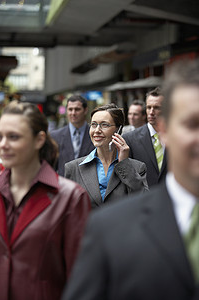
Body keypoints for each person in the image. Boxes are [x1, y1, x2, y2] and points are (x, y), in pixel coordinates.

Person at [61, 59, 199, 300]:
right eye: (192, 124)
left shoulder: (133, 167)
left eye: (104, 125)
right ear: (164, 131)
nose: (97, 130)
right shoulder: (109, 227)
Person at [0, 101, 91, 300]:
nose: (3, 144)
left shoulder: (70, 198)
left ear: (39, 139)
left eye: (13, 137)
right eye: (0, 137)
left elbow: (81, 279)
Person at [64, 103, 148, 209]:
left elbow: (144, 201)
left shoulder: (136, 168)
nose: (97, 130)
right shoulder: (73, 168)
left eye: (104, 125)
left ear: (118, 130)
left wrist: (124, 164)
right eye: (94, 124)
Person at [122, 87, 167, 187]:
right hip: (144, 198)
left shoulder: (177, 136)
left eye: (156, 107)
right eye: (148, 107)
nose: (151, 112)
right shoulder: (129, 139)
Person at [51, 95, 94, 176]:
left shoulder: (95, 134)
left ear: (85, 110)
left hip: (88, 186)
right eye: (70, 109)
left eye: (77, 109)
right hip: (63, 185)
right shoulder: (55, 136)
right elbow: (52, 167)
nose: (73, 113)